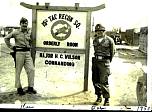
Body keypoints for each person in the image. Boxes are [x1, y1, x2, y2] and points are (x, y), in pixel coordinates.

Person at [4, 17, 37, 95]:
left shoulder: (29, 32)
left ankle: (30, 87)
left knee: (31, 69)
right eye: (23, 24)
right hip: (19, 53)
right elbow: (6, 38)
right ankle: (19, 88)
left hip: (27, 53)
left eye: (26, 24)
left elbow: (32, 40)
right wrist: (11, 47)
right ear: (20, 24)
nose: (25, 26)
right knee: (18, 71)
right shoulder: (16, 32)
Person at [92, 24, 116, 106]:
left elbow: (113, 52)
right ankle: (99, 97)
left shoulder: (109, 40)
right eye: (97, 31)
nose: (99, 32)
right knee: (95, 80)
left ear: (104, 31)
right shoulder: (95, 40)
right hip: (95, 61)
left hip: (104, 62)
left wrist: (107, 62)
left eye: (101, 31)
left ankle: (106, 99)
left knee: (104, 81)